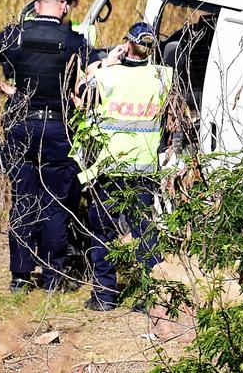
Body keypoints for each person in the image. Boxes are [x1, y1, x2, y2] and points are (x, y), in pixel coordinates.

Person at [0, 0, 99, 293]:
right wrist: (78, 94)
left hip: (20, 125)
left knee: (23, 199)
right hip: (57, 128)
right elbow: (96, 74)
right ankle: (52, 278)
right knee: (55, 203)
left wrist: (4, 88)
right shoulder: (73, 39)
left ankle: (20, 277)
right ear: (63, 7)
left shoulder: (15, 34)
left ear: (37, 6)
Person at [73, 22, 173, 311]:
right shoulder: (163, 77)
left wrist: (106, 62)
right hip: (144, 169)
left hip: (109, 168)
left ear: (127, 44)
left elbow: (81, 92)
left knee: (102, 232)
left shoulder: (108, 77)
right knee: (145, 231)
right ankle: (148, 296)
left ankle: (104, 296)